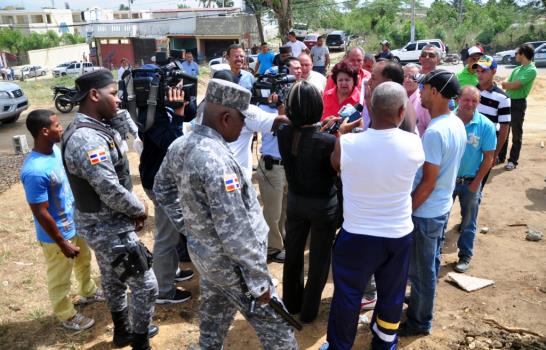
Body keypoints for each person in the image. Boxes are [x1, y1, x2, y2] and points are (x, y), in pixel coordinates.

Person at [153, 78, 298, 350]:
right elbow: (236, 232)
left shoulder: (181, 145)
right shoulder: (216, 161)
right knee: (279, 330)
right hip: (236, 268)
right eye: (242, 120)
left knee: (213, 320)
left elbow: (162, 189)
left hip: (207, 257)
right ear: (226, 117)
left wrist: (190, 229)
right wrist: (259, 279)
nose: (245, 126)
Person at [324, 82, 425, 350]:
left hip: (356, 235)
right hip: (397, 235)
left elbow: (336, 165)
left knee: (348, 295)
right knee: (391, 296)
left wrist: (341, 135)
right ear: (402, 111)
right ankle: (384, 344)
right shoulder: (414, 144)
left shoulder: (347, 144)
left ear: (368, 107)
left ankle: (339, 346)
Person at [62, 70, 158, 350]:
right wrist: (138, 208)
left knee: (114, 280)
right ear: (94, 95)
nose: (119, 101)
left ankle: (123, 332)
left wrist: (119, 114)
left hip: (103, 224)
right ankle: (140, 343)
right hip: (108, 227)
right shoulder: (87, 139)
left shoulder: (95, 125)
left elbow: (127, 132)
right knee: (147, 285)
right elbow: (110, 190)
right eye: (113, 94)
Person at [20, 109, 104, 332]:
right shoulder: (34, 170)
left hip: (75, 222)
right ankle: (66, 314)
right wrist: (61, 241)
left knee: (84, 260)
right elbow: (40, 211)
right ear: (45, 131)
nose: (62, 129)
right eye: (57, 125)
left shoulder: (55, 151)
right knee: (60, 277)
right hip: (56, 236)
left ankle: (87, 290)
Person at [400, 70, 466, 337]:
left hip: (427, 212)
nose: (421, 92)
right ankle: (419, 304)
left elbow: (427, 183)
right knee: (429, 264)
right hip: (440, 207)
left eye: (424, 87)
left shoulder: (435, 132)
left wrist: (408, 211)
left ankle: (419, 321)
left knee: (422, 271)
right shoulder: (455, 123)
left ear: (435, 92)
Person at [277, 81, 339, 323]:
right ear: (318, 106)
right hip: (323, 206)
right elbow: (332, 163)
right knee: (319, 259)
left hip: (295, 202)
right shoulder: (329, 141)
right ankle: (309, 311)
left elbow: (301, 134)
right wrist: (337, 134)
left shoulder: (284, 134)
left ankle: (291, 304)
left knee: (293, 253)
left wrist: (321, 129)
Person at [139, 85, 196, 305]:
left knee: (170, 234)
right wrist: (178, 114)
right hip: (159, 182)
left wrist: (182, 105)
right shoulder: (151, 114)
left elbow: (191, 112)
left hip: (161, 179)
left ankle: (169, 273)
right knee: (166, 236)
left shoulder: (161, 108)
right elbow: (173, 143)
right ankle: (163, 290)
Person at [452, 86, 496, 273]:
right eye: (466, 99)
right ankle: (435, 252)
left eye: (474, 101)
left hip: (471, 181)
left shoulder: (485, 125)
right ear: (458, 100)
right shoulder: (448, 121)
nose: (470, 104)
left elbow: (488, 158)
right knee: (440, 218)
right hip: (448, 181)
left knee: (469, 220)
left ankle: (465, 255)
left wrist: (476, 183)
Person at [500, 44, 537, 171]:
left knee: (516, 132)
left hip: (518, 103)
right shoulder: (518, 69)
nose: (515, 55)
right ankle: (501, 157)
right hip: (508, 101)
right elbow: (507, 81)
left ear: (523, 54)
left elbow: (515, 85)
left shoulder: (531, 70)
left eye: (517, 53)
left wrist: (507, 85)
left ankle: (513, 160)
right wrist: (507, 84)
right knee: (504, 130)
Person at [474, 55, 511, 182]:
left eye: (483, 71)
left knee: (477, 185)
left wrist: (495, 155)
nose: (479, 74)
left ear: (494, 71)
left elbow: (504, 129)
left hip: (487, 146)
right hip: (469, 144)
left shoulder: (503, 98)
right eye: (477, 71)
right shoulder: (473, 91)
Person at [403, 63, 431, 136]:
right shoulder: (397, 97)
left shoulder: (424, 100)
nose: (407, 80)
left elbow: (430, 129)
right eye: (404, 76)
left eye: (412, 77)